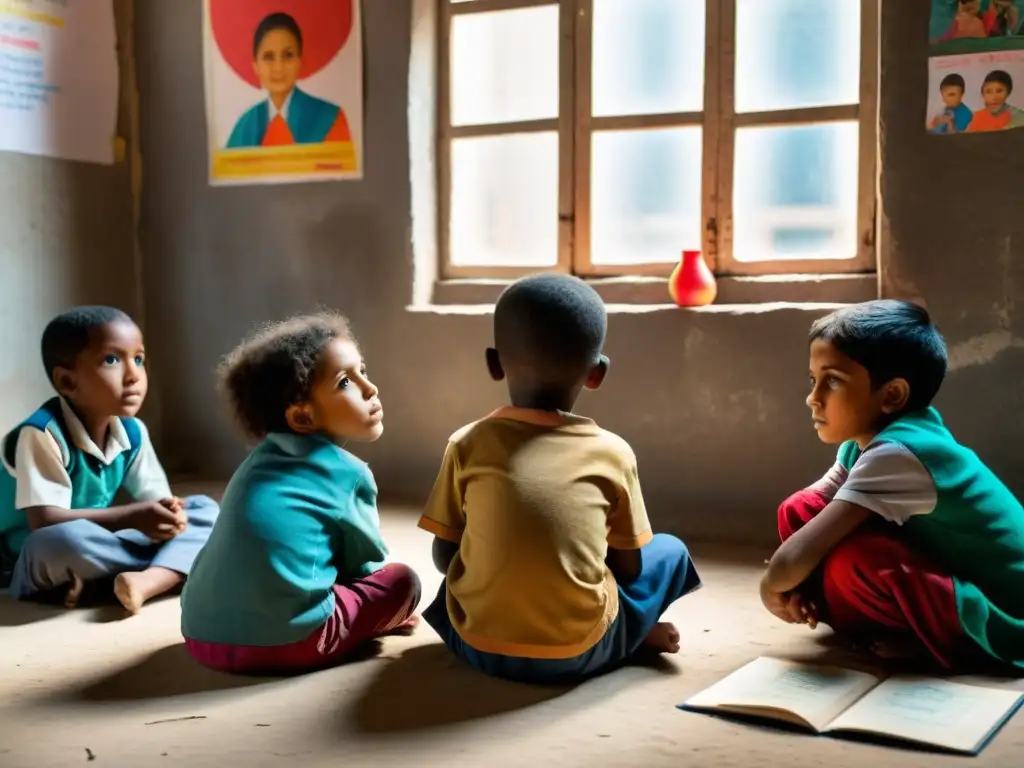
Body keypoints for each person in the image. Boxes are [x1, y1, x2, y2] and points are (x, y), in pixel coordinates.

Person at [419, 274, 701, 685]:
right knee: (669, 550)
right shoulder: (613, 452)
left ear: (494, 364)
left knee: (459, 587)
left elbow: (444, 560)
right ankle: (627, 637)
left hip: (476, 646)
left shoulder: (466, 443)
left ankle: (622, 635)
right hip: (576, 652)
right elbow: (629, 568)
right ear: (596, 373)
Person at [761, 300, 1024, 671]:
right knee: (799, 510)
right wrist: (795, 578)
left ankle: (961, 643)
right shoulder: (863, 443)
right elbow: (812, 514)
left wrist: (772, 584)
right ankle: (887, 624)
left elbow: (804, 550)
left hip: (1006, 604)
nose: (813, 397)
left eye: (832, 381)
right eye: (812, 379)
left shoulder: (901, 453)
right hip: (952, 568)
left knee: (855, 565)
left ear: (892, 396)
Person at [180, 313, 420, 675]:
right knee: (403, 582)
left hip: (200, 636)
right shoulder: (349, 474)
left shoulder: (251, 467)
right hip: (287, 644)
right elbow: (364, 570)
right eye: (344, 382)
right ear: (303, 418)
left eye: (363, 372)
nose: (370, 389)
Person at [0, 306, 219, 614]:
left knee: (205, 509)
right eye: (112, 360)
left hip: (100, 542)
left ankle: (143, 582)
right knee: (59, 541)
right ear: (67, 382)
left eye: (139, 359)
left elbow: (159, 503)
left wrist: (171, 515)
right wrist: (133, 517)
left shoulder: (132, 432)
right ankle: (173, 570)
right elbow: (44, 522)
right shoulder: (41, 433)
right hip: (34, 556)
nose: (134, 376)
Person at [226, 12, 351, 149]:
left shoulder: (329, 118)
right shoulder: (245, 127)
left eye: (288, 55)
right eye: (268, 57)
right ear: (256, 66)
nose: (279, 67)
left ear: (299, 61)